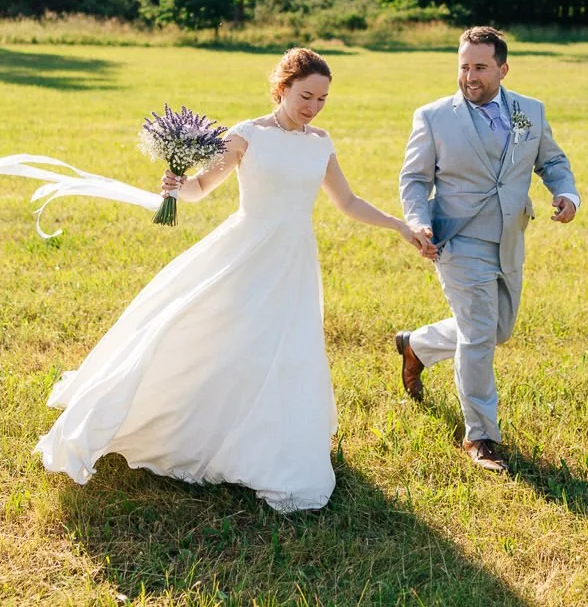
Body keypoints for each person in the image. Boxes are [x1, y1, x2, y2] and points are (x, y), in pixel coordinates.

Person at [34, 48, 433, 512]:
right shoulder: (246, 135)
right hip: (246, 250)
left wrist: (401, 226)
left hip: (293, 259)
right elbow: (201, 188)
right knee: (217, 336)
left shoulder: (320, 142)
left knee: (286, 349)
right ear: (282, 88)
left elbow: (347, 201)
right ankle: (180, 424)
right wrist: (175, 184)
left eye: (322, 99)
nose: (314, 107)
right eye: (306, 95)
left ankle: (268, 445)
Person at [395, 26, 580, 472]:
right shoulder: (433, 117)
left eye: (479, 67)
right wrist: (418, 220)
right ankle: (480, 436)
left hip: (510, 237)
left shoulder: (529, 112)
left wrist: (566, 193)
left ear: (502, 68)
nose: (470, 76)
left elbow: (551, 160)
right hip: (456, 240)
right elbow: (415, 180)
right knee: (479, 335)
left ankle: (416, 344)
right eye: (463, 66)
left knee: (497, 329)